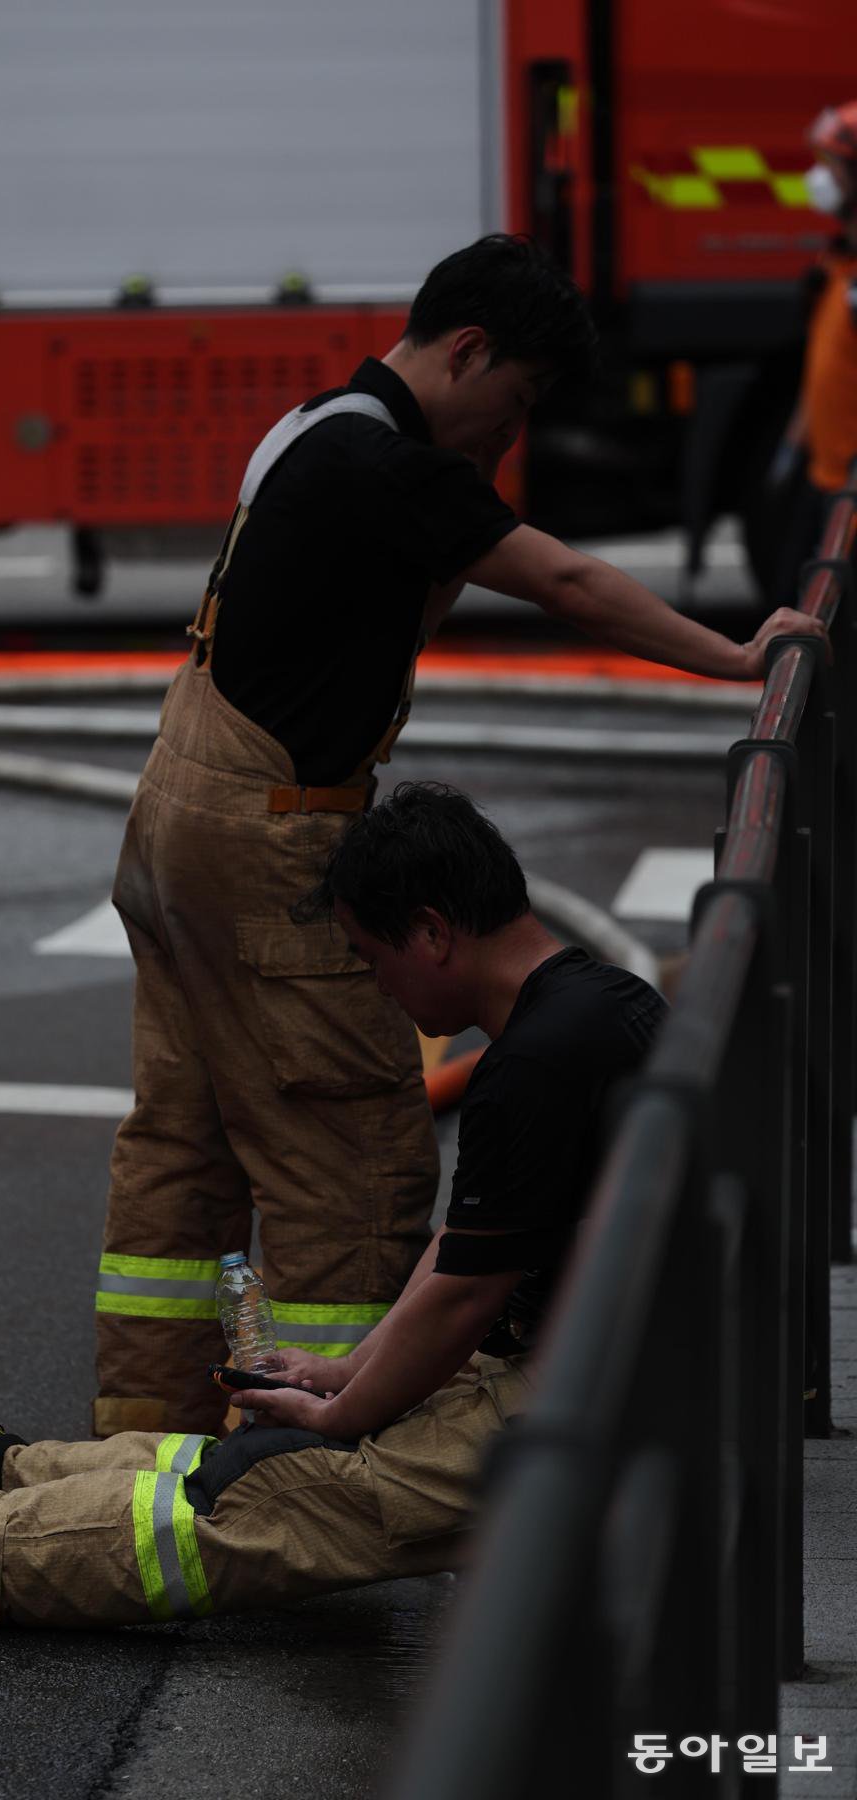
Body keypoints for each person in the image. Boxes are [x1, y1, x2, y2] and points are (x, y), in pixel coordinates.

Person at [93, 234, 826, 1441]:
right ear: (469, 350)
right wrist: (741, 657)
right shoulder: (392, 467)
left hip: (173, 830)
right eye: (517, 400)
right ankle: (313, 1464)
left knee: (186, 1152)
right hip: (273, 846)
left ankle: (145, 1439)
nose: (511, 436)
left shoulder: (307, 426)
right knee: (355, 1162)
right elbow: (571, 585)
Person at [0, 784, 668, 1627]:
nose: (380, 991)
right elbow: (468, 1249)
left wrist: (344, 1413)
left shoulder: (531, 1067)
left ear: (434, 933)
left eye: (374, 961)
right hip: (595, 1367)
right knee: (270, 1451)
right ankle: (2, 1473)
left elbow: (466, 1293)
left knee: (281, 1491)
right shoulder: (606, 1005)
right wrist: (343, 1375)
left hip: (600, 1403)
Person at [770, 101, 857, 596]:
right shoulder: (836, 262)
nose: (820, 179)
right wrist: (790, 451)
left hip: (848, 492)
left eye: (833, 166)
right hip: (824, 480)